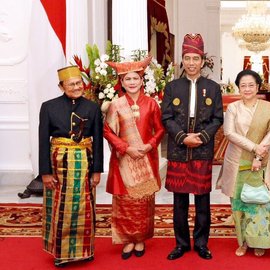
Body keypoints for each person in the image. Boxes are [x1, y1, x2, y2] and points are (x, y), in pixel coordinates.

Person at [162, 33, 223, 260]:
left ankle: (201, 243)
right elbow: (166, 116)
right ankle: (180, 244)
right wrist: (181, 137)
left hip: (202, 149)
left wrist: (203, 136)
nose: (191, 63)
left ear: (202, 60)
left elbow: (218, 118)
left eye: (195, 59)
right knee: (179, 201)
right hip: (179, 150)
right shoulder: (172, 87)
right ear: (182, 60)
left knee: (202, 200)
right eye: (187, 58)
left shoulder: (213, 87)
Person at [39, 66, 103, 267]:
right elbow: (42, 141)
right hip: (58, 164)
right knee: (60, 208)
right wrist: (45, 172)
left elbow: (98, 141)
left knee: (85, 207)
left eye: (79, 83)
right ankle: (62, 253)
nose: (76, 87)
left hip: (85, 163)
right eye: (71, 84)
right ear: (61, 86)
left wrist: (97, 171)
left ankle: (85, 251)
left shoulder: (92, 107)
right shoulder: (48, 107)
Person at [103, 56, 165, 260]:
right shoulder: (115, 105)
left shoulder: (152, 104)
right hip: (124, 160)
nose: (131, 82)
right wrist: (126, 148)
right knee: (125, 202)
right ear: (121, 82)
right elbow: (108, 131)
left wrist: (150, 145)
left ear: (142, 80)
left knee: (143, 202)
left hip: (146, 158)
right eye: (127, 79)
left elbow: (160, 129)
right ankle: (127, 240)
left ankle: (140, 239)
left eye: (135, 79)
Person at [216, 69, 270, 257]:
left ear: (258, 86)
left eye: (251, 85)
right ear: (238, 87)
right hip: (237, 162)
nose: (247, 89)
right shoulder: (233, 108)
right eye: (243, 85)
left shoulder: (268, 108)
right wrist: (254, 147)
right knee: (239, 204)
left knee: (262, 203)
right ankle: (243, 241)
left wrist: (259, 154)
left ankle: (260, 240)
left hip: (264, 160)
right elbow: (229, 133)